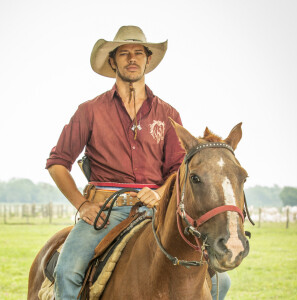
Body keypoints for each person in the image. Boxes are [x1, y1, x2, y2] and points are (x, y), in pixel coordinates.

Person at [46, 25, 230, 300]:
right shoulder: (90, 111)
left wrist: (158, 192)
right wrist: (82, 205)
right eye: (124, 53)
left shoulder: (168, 113)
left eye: (138, 53)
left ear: (148, 60)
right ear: (112, 61)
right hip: (105, 213)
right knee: (67, 272)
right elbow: (57, 163)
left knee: (221, 283)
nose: (132, 59)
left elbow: (178, 170)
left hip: (156, 213)